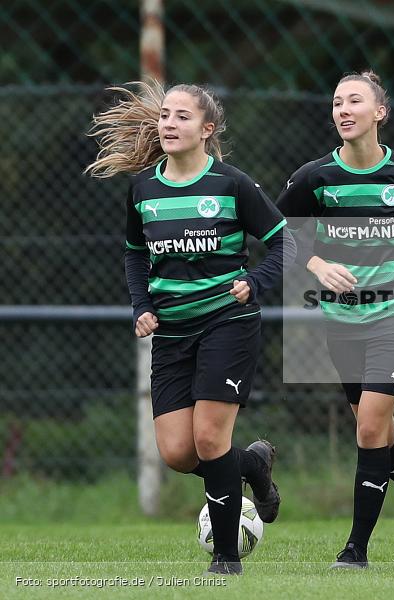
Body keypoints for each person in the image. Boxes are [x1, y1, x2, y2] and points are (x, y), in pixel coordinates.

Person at [85, 81, 296, 576]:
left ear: (207, 129)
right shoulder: (144, 190)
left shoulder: (231, 184)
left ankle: (226, 560)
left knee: (208, 440)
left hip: (227, 322)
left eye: (182, 116)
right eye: (165, 115)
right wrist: (141, 305)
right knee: (178, 452)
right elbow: (135, 255)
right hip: (172, 333)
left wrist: (255, 282)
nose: (169, 124)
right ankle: (252, 466)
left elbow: (285, 242)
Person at [275, 71, 394, 569]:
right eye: (337, 102)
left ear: (380, 112)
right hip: (341, 320)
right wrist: (316, 264)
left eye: (354, 100)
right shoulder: (314, 178)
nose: (343, 110)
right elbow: (276, 229)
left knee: (371, 428)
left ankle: (355, 550)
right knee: (378, 428)